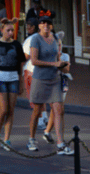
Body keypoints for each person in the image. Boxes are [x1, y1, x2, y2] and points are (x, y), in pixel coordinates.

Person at [27, 18, 72, 154]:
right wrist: (53, 64)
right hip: (40, 79)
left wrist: (63, 66)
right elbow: (34, 61)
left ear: (52, 26)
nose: (46, 25)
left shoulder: (55, 39)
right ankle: (32, 139)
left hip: (55, 79)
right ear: (39, 26)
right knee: (37, 111)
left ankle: (60, 144)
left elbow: (57, 57)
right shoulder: (35, 38)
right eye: (43, 23)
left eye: (48, 23)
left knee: (58, 110)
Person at [0, 19, 25, 151]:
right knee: (4, 109)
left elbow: (21, 64)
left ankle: (7, 139)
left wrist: (21, 82)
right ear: (2, 30)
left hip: (13, 78)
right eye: (8, 30)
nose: (10, 32)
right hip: (1, 78)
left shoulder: (16, 45)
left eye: (12, 30)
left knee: (11, 110)